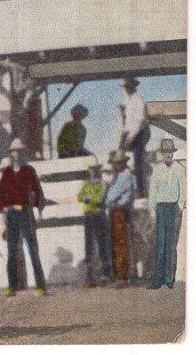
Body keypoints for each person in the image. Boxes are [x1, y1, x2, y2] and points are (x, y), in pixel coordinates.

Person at [0, 138, 47, 296]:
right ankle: (12, 286)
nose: (16, 154)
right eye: (13, 151)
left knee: (32, 250)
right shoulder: (7, 172)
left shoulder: (29, 170)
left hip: (25, 212)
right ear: (11, 153)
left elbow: (38, 191)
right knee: (11, 251)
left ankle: (40, 286)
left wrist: (38, 211)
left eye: (19, 151)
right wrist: (3, 212)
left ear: (23, 153)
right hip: (11, 214)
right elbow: (0, 194)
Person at [147, 139, 186, 289]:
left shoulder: (179, 168)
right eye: (165, 152)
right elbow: (153, 191)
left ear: (173, 153)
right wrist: (152, 210)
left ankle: (169, 278)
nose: (168, 155)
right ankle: (157, 280)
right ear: (162, 154)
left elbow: (182, 190)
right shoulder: (157, 169)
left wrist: (179, 206)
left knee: (171, 245)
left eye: (170, 152)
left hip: (173, 209)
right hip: (160, 208)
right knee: (160, 244)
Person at [102, 150, 136, 288]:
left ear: (122, 163)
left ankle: (123, 276)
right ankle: (120, 276)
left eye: (117, 163)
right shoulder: (118, 176)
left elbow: (112, 196)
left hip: (120, 211)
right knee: (116, 243)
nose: (116, 165)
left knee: (121, 243)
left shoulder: (125, 176)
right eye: (115, 163)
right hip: (115, 211)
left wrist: (110, 199)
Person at [77, 156, 112, 287]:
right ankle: (89, 277)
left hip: (99, 215)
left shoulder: (102, 183)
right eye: (92, 169)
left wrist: (88, 198)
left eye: (96, 169)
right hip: (88, 216)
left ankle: (104, 276)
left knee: (102, 245)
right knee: (89, 245)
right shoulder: (86, 184)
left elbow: (99, 199)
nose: (94, 171)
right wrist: (89, 197)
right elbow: (80, 197)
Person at [120, 77, 150, 195]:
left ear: (132, 88)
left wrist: (130, 138)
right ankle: (127, 188)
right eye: (126, 87)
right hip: (131, 134)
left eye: (128, 87)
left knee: (138, 161)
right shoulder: (130, 100)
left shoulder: (138, 100)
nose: (126, 89)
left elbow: (138, 121)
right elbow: (128, 122)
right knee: (121, 159)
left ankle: (140, 190)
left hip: (139, 133)